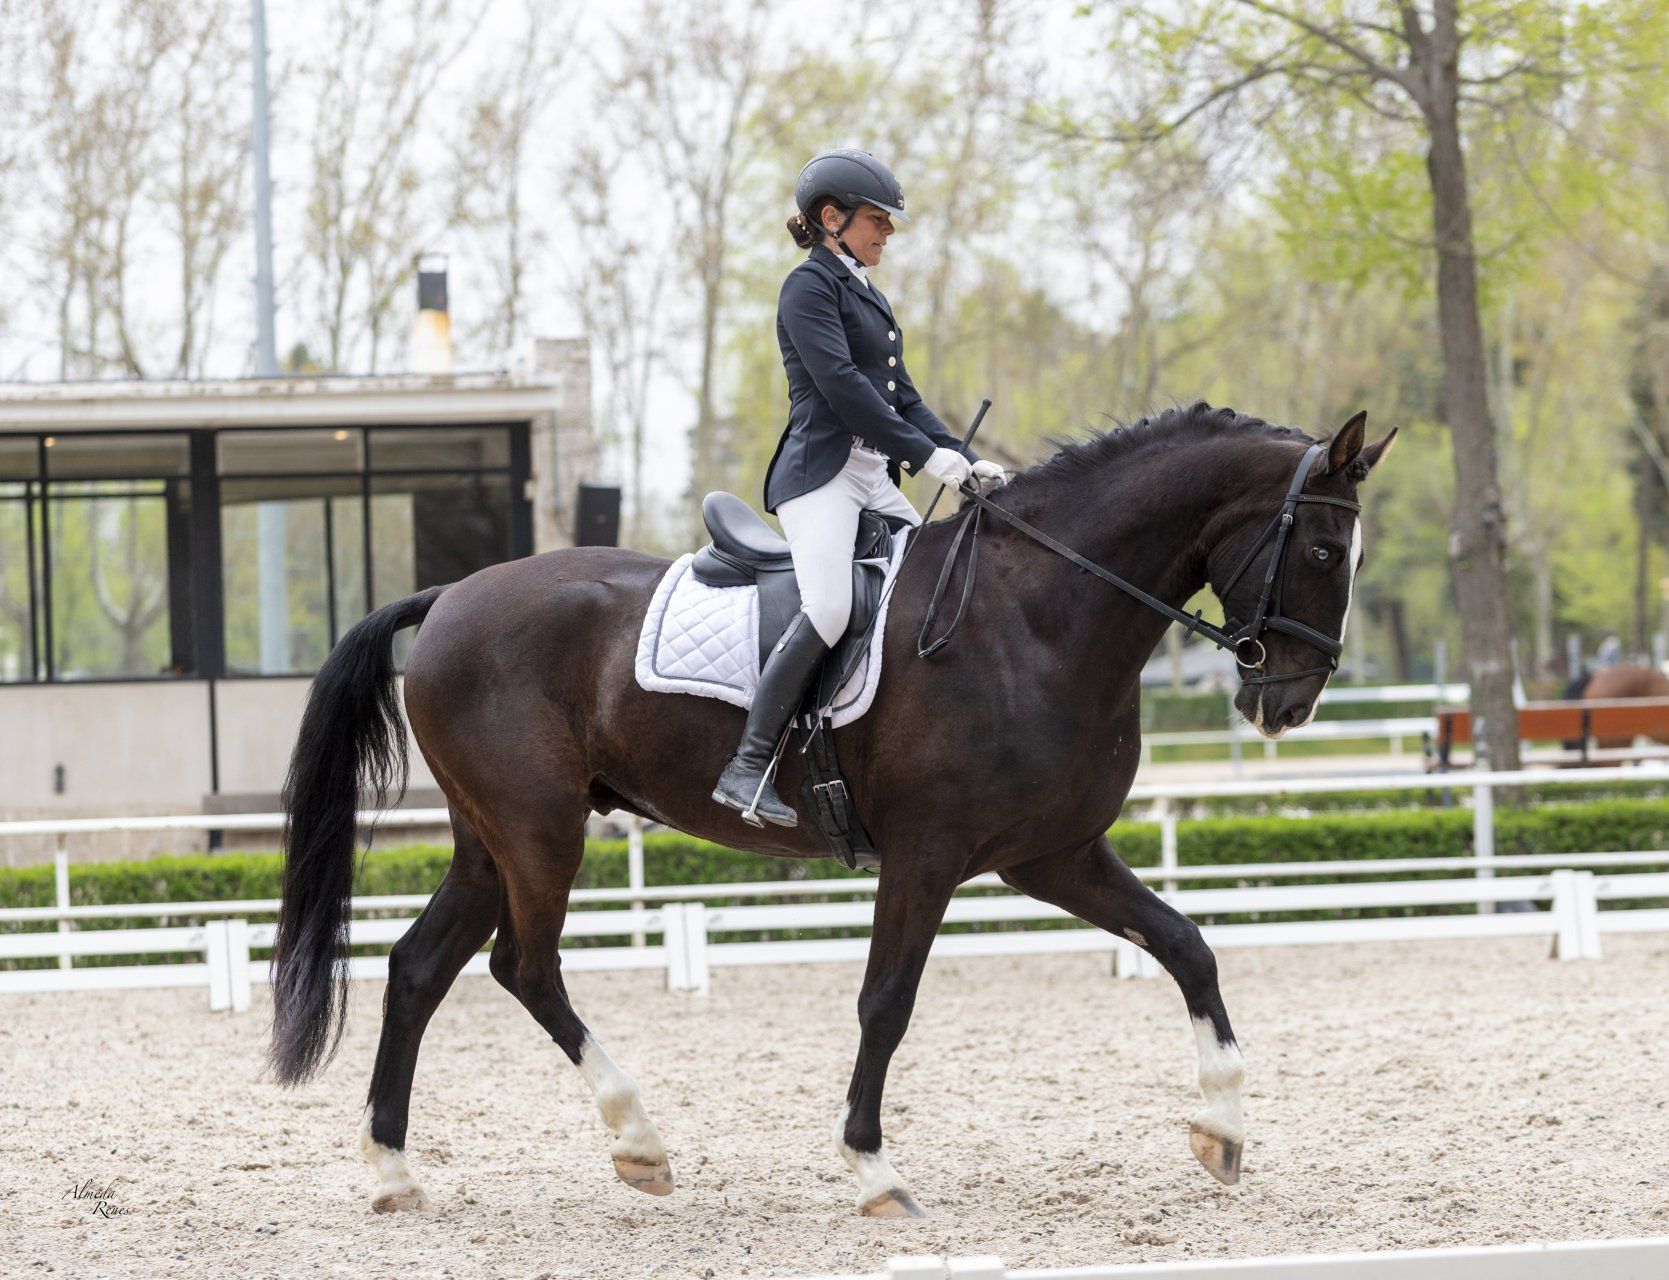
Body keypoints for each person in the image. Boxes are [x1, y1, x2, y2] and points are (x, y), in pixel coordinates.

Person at [710, 147, 1006, 827]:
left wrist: (963, 456)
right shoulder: (807, 286)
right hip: (820, 478)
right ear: (830, 217)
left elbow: (902, 396)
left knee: (932, 587)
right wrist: (927, 460)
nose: (887, 233)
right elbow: (843, 390)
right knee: (832, 606)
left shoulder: (865, 290)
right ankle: (747, 764)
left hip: (871, 475)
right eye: (878, 220)